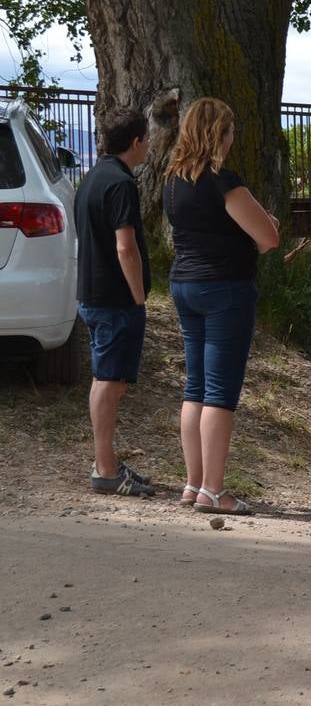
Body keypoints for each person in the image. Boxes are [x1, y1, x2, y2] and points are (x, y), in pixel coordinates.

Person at [164, 97, 279, 515]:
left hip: (184, 285)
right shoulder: (224, 182)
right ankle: (214, 491)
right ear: (220, 134)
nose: (232, 138)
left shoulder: (172, 181)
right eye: (230, 130)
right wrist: (262, 228)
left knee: (194, 387)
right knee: (220, 393)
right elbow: (268, 239)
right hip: (224, 289)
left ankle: (194, 483)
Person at [73, 108, 156, 497]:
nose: (149, 146)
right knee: (109, 381)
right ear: (136, 141)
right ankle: (105, 468)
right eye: (147, 139)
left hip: (91, 293)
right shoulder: (121, 183)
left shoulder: (92, 177)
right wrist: (138, 297)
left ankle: (106, 461)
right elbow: (126, 247)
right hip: (113, 298)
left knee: (108, 379)